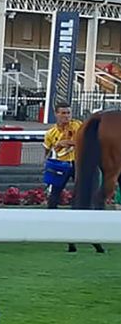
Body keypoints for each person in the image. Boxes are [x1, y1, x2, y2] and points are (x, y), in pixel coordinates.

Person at [42, 103, 104, 253]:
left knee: (83, 199)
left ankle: (91, 237)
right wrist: (47, 165)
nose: (66, 116)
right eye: (63, 113)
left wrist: (66, 143)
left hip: (80, 164)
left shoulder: (78, 126)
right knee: (54, 198)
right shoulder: (51, 133)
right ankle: (54, 230)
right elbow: (46, 151)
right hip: (60, 166)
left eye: (68, 113)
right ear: (56, 114)